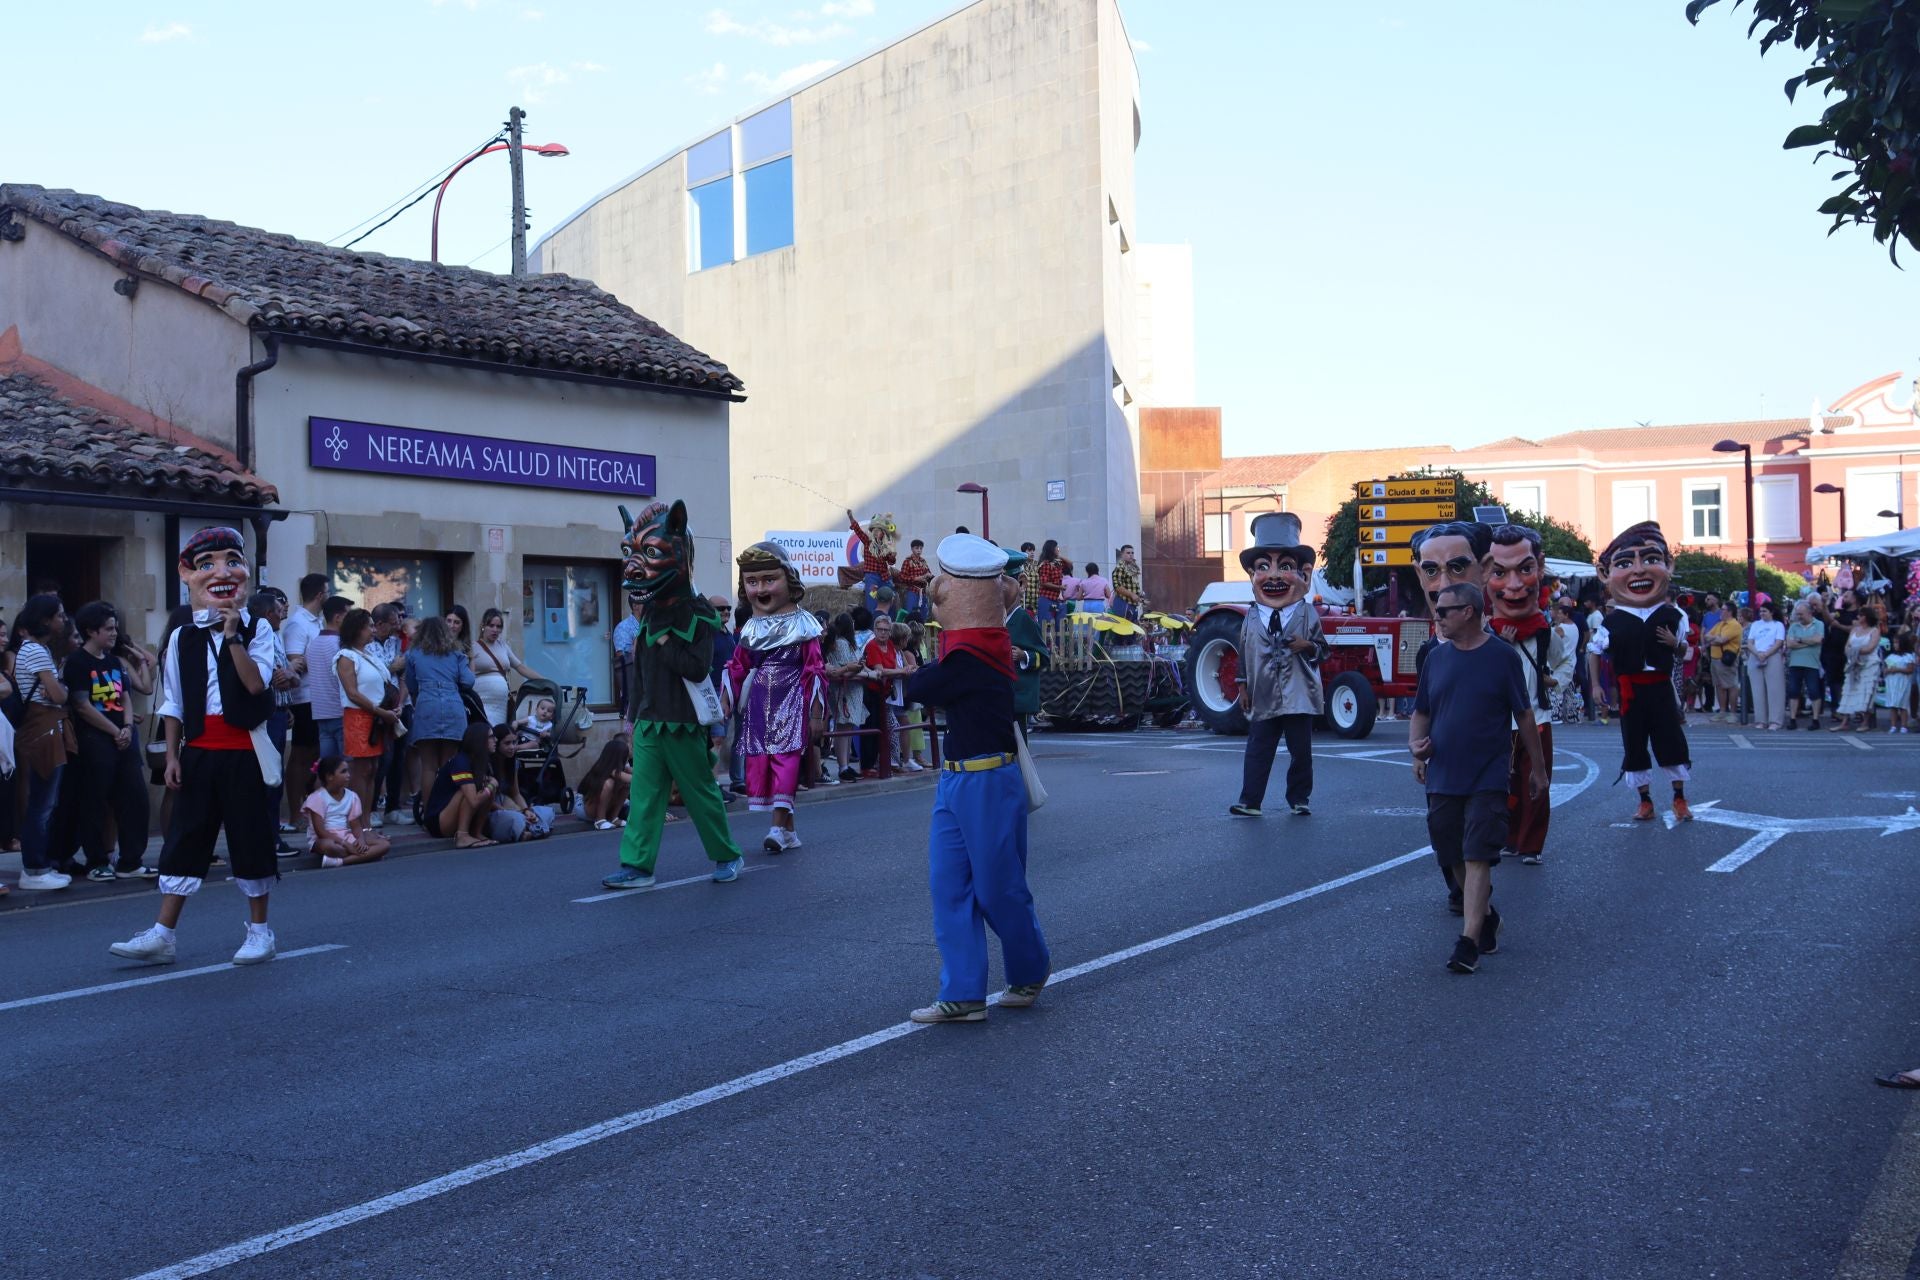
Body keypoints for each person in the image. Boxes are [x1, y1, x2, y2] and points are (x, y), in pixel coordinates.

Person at [110, 527, 283, 966]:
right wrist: (171, 755)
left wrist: (232, 635)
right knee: (185, 840)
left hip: (244, 748)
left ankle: (260, 932)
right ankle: (163, 934)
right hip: (199, 750)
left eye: (231, 560)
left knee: (250, 840)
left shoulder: (258, 628)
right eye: (207, 564)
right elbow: (173, 703)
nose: (221, 572)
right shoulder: (181, 637)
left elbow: (255, 683)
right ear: (187, 574)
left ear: (245, 571)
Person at [903, 533, 1050, 1023]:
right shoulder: (980, 648)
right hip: (957, 777)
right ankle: (963, 993)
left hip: (987, 779)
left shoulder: (973, 654)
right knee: (950, 885)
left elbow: (921, 685)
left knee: (996, 887)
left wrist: (919, 663)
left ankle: (1029, 970)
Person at [602, 499, 745, 889]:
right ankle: (637, 866)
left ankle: (727, 855)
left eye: (647, 553)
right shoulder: (648, 615)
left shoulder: (697, 613)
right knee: (645, 800)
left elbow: (698, 668)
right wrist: (632, 718)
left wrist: (665, 642)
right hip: (650, 723)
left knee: (700, 795)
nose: (635, 566)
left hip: (682, 724)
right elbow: (642, 675)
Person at [1409, 582, 1546, 975]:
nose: (1438, 618)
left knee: (1477, 852)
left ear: (1468, 611)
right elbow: (1422, 710)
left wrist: (1537, 769)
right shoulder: (1435, 658)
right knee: (1450, 854)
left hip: (1489, 772)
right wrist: (1415, 749)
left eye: (1444, 611)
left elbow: (1523, 715)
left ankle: (1467, 942)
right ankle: (1486, 917)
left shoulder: (1502, 657)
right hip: (1443, 772)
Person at [1586, 522, 1692, 822]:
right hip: (1630, 690)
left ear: (1668, 566)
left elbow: (1685, 651)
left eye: (1650, 559)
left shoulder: (1674, 615)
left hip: (1660, 686)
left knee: (1671, 742)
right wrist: (1596, 686)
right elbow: (1594, 652)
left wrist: (1675, 645)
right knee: (1634, 744)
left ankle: (1679, 798)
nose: (1639, 570)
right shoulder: (1613, 621)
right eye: (1624, 563)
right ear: (1606, 575)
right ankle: (1645, 801)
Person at [726, 542, 827, 852]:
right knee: (763, 763)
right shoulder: (751, 628)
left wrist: (816, 713)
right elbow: (738, 665)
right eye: (752, 582)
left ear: (788, 580)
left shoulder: (803, 623)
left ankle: (775, 827)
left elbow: (815, 670)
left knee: (786, 761)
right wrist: (726, 698)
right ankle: (789, 832)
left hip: (791, 699)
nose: (760, 589)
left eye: (769, 580)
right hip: (759, 702)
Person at [1229, 513, 1325, 819]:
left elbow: (1324, 651)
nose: (1273, 576)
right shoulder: (1251, 617)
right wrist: (1242, 686)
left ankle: (1299, 799)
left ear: (1303, 574)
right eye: (1262, 567)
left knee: (1301, 752)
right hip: (1263, 692)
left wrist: (1307, 646)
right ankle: (1250, 801)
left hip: (1299, 694)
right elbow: (1243, 653)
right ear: (1252, 576)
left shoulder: (1308, 614)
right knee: (1258, 749)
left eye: (1284, 566)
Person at [1484, 523, 1566, 866]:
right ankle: (1509, 838)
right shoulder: (1484, 633)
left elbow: (1565, 663)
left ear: (1540, 568)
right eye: (1500, 572)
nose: (1514, 586)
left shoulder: (1545, 635)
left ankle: (1531, 843)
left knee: (1537, 784)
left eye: (1525, 569)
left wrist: (1554, 681)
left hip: (1537, 719)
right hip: (1499, 723)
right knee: (1503, 786)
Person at [63, 600, 154, 881]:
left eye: (115, 628)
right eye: (108, 629)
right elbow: (81, 704)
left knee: (135, 797)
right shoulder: (77, 662)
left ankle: (130, 860)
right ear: (91, 631)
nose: (114, 634)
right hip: (94, 740)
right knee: (94, 801)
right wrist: (115, 732)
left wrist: (127, 726)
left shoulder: (114, 661)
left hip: (123, 738)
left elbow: (124, 695)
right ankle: (97, 861)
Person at [12, 594, 75, 892]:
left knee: (42, 801)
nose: (63, 620)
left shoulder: (32, 649)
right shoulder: (36, 651)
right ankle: (35, 868)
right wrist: (60, 688)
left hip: (41, 727)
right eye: (59, 615)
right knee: (42, 803)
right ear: (45, 620)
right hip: (43, 729)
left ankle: (40, 865)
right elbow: (59, 694)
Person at [335, 608, 402, 825]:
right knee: (361, 771)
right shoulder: (346, 657)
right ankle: (358, 824)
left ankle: (366, 822)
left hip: (377, 717)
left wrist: (393, 708)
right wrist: (381, 711)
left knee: (373, 769)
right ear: (357, 629)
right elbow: (352, 693)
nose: (373, 630)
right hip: (359, 718)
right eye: (369, 626)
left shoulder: (368, 654)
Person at [405, 614, 475, 809]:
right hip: (453, 705)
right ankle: (446, 810)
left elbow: (411, 684)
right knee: (448, 763)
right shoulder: (456, 654)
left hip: (427, 705)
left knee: (428, 765)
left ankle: (429, 811)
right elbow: (469, 681)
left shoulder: (413, 654)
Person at [280, 572, 327, 828]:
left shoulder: (317, 622)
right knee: (301, 755)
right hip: (303, 697)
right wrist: (321, 657)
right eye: (327, 592)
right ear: (320, 595)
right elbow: (294, 662)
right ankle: (295, 812)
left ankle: (311, 806)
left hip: (320, 696)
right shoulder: (298, 624)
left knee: (316, 754)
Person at [367, 602, 412, 827]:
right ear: (380, 624)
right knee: (382, 758)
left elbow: (404, 673)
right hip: (378, 706)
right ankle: (373, 807)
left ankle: (393, 807)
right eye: (394, 623)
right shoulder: (366, 643)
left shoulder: (398, 642)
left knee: (399, 757)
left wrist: (402, 703)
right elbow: (374, 672)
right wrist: (391, 667)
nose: (398, 627)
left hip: (400, 704)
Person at [303, 755, 391, 867]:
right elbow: (320, 831)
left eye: (348, 771)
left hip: (346, 836)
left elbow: (356, 826)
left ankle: (341, 861)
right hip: (325, 839)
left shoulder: (352, 796)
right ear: (330, 776)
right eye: (343, 772)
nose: (348, 775)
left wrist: (360, 840)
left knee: (384, 845)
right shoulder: (317, 798)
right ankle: (368, 855)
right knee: (330, 847)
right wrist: (346, 844)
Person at [422, 722, 499, 848]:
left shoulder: (479, 761)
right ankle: (462, 836)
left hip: (451, 817)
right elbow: (473, 801)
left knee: (487, 787)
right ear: (479, 740)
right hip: (439, 823)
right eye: (491, 737)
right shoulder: (461, 761)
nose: (495, 740)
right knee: (470, 791)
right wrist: (491, 786)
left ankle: (476, 833)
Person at [1001, 549, 1051, 733]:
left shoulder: (1024, 619)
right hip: (998, 693)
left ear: (1021, 583)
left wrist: (1024, 656)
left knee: (1018, 742)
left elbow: (1044, 656)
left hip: (1017, 694)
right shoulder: (994, 619)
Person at [472, 607, 543, 728]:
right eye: (491, 625)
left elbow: (520, 667)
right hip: (482, 700)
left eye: (499, 626)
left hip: (500, 704)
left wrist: (543, 680)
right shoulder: (473, 647)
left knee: (500, 732)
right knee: (486, 731)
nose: (495, 630)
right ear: (483, 626)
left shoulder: (503, 646)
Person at [858, 613, 910, 775]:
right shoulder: (872, 646)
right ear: (874, 630)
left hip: (886, 693)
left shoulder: (891, 646)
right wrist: (901, 671)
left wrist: (901, 670)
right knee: (873, 727)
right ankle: (870, 764)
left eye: (886, 630)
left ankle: (886, 761)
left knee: (887, 726)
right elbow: (880, 670)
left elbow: (894, 667)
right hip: (872, 691)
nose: (882, 633)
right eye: (879, 629)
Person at [306, 596, 349, 759]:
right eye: (348, 616)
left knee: (329, 770)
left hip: (321, 714)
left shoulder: (313, 643)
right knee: (347, 768)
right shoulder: (340, 644)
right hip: (341, 713)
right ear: (338, 618)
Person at [824, 613, 864, 783]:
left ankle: (846, 765)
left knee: (847, 727)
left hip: (848, 689)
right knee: (843, 727)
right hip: (844, 690)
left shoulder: (844, 643)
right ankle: (843, 766)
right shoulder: (842, 643)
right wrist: (856, 668)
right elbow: (844, 666)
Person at [1835, 605, 1885, 732]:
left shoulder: (1874, 631)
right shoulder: (1854, 630)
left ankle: (1865, 722)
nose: (1858, 617)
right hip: (1853, 664)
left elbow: (1870, 648)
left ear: (1866, 617)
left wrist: (1855, 650)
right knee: (1848, 691)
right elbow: (1847, 646)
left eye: (1861, 615)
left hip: (1869, 665)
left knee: (1865, 692)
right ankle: (1845, 721)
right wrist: (1851, 653)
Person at [1782, 600, 1826, 730]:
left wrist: (1800, 640)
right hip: (1795, 663)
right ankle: (1793, 718)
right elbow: (1789, 644)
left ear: (1809, 613)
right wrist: (1809, 642)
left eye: (1801, 614)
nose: (1799, 616)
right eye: (1797, 614)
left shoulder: (1819, 624)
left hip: (1812, 663)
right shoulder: (1794, 626)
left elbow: (1818, 640)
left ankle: (1816, 719)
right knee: (1793, 691)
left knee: (1813, 691)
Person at [846, 509, 899, 615]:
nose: (876, 532)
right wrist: (851, 518)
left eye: (879, 530)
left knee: (892, 598)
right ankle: (873, 626)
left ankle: (890, 624)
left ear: (882, 532)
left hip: (884, 578)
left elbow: (891, 561)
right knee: (872, 601)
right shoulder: (867, 541)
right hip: (872, 577)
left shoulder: (885, 546)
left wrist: (892, 556)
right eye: (874, 529)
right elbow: (858, 530)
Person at [1744, 600, 1787, 731]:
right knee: (1757, 690)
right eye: (1760, 611)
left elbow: (1779, 642)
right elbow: (1750, 642)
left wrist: (1767, 653)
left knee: (1775, 690)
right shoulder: (1756, 625)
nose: (1761, 613)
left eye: (1764, 611)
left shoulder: (1778, 625)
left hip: (1772, 656)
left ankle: (1775, 720)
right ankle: (1760, 720)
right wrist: (1757, 653)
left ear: (1771, 612)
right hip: (1756, 655)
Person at [580, 738, 633, 828]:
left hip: (602, 807)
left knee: (626, 785)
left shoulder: (621, 767)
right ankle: (600, 821)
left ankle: (614, 818)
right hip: (584, 808)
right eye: (625, 757)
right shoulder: (611, 770)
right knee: (609, 783)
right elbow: (634, 779)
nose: (627, 759)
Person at [1704, 604, 1744, 723]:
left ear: (1730, 612)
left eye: (1723, 609)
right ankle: (1722, 711)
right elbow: (1706, 636)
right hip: (1715, 659)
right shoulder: (1720, 624)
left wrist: (1715, 639)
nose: (1721, 611)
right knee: (1719, 685)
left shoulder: (1734, 625)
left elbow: (1722, 640)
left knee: (1731, 686)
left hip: (1726, 659)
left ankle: (1732, 713)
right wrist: (1716, 638)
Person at [1884, 632, 1915, 733]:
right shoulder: (1891, 657)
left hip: (1903, 683)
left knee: (1903, 705)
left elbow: (1910, 670)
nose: (1895, 645)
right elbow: (1885, 670)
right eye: (1894, 643)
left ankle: (1904, 726)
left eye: (1897, 643)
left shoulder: (1908, 657)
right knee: (1893, 705)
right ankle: (1893, 726)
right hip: (1892, 683)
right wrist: (1888, 670)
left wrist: (1897, 670)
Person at [896, 539, 932, 617]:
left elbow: (929, 573)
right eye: (917, 548)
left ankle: (921, 629)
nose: (919, 550)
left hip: (923, 592)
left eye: (921, 548)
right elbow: (901, 577)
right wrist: (915, 579)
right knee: (910, 614)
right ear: (912, 549)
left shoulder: (923, 561)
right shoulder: (907, 561)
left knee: (923, 615)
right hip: (912, 590)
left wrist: (929, 576)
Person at [1111, 544, 1145, 623]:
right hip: (1123, 603)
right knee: (1123, 631)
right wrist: (1132, 595)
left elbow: (1132, 587)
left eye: (1132, 553)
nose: (1131, 555)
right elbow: (1118, 586)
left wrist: (1139, 596)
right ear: (1122, 554)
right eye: (1128, 553)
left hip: (1132, 604)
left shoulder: (1132, 568)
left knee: (1131, 631)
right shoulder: (1120, 568)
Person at [1035, 540, 1067, 623]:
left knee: (1056, 622)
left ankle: (1056, 636)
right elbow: (1044, 582)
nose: (1058, 549)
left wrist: (1059, 557)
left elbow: (1070, 564)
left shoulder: (1056, 563)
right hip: (1046, 599)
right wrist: (1060, 587)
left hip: (1054, 600)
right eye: (1057, 547)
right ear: (1052, 549)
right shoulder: (1045, 564)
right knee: (1046, 624)